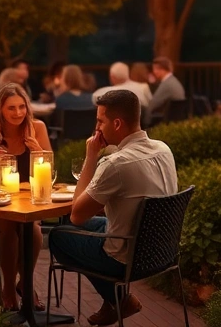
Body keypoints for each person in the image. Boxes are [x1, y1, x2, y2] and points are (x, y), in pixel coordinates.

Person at [49, 90, 178, 326]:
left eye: (100, 121)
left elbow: (76, 214)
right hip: (162, 250)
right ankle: (114, 303)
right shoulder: (163, 149)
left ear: (116, 123)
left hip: (127, 257)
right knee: (86, 224)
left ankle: (119, 300)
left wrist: (91, 155)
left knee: (59, 235)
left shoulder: (116, 164)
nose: (97, 128)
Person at [0, 83, 53, 309]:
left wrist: (38, 152)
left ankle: (25, 284)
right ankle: (7, 289)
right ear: (0, 110)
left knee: (32, 229)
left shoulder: (38, 128)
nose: (18, 113)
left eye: (21, 107)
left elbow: (50, 173)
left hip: (26, 204)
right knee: (7, 228)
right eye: (11, 108)